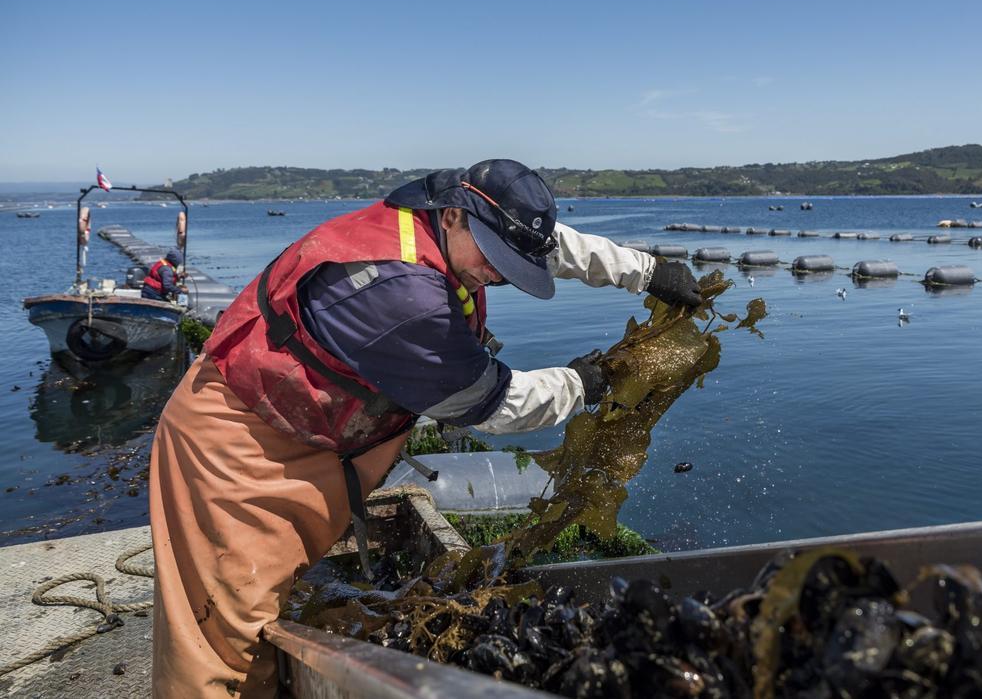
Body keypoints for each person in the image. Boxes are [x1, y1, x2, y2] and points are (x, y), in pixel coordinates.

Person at [148, 159, 701, 697]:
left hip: (314, 431)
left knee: (273, 591)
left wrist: (645, 271)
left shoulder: (444, 221)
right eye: (495, 260)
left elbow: (542, 244)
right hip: (240, 441)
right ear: (455, 216)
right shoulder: (402, 297)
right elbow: (490, 402)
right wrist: (582, 384)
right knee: (225, 633)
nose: (498, 274)